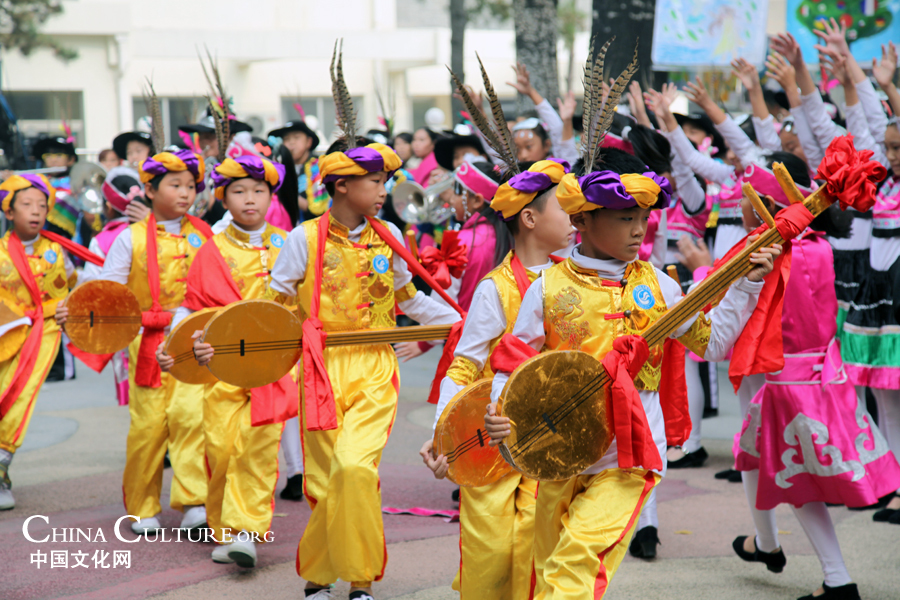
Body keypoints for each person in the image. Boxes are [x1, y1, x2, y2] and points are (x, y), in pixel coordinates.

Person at [484, 143, 778, 598]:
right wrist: (498, 406)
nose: (639, 229)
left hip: (630, 453)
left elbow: (713, 342)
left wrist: (747, 284)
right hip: (556, 447)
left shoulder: (659, 284)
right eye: (625, 217)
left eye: (643, 217)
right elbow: (513, 361)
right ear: (581, 220)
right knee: (545, 562)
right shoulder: (547, 286)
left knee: (576, 556)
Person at [731, 149, 899, 600]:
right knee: (749, 449)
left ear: (767, 202)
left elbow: (726, 313)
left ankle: (837, 579)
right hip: (823, 373)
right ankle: (765, 543)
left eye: (747, 191)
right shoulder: (819, 246)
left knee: (795, 480)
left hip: (788, 382)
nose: (739, 200)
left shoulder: (762, 251)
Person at [421, 158, 572, 599]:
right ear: (529, 218)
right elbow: (465, 366)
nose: (575, 219)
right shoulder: (495, 288)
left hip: (550, 443)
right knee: (488, 559)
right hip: (492, 446)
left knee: (539, 552)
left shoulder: (574, 281)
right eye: (564, 209)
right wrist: (442, 432)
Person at [58, 150, 213, 535]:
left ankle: (193, 500)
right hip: (146, 341)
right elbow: (108, 291)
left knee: (192, 418)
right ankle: (143, 506)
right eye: (174, 185)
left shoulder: (206, 235)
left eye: (190, 186)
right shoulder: (129, 239)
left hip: (194, 341)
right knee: (148, 427)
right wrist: (76, 311)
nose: (184, 193)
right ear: (148, 190)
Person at [157, 154, 293, 568]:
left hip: (272, 367)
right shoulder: (211, 250)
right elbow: (192, 307)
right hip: (221, 366)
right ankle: (222, 525)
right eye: (238, 192)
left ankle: (245, 531)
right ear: (222, 198)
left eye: (258, 191)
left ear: (271, 196)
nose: (249, 199)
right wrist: (174, 344)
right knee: (220, 446)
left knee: (258, 447)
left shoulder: (289, 244)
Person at [0, 174, 91, 510]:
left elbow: (74, 283)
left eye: (42, 205)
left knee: (21, 393)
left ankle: (2, 462)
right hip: (8, 334)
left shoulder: (57, 249)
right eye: (26, 205)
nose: (36, 211)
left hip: (47, 329)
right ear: (9, 212)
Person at [268, 119, 328, 220]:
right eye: (286, 139)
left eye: (296, 137)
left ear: (309, 142)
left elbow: (318, 211)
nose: (291, 143)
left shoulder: (317, 167)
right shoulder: (277, 168)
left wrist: (287, 193)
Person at [178, 109, 253, 160]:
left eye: (210, 136)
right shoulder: (199, 163)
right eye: (201, 136)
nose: (204, 141)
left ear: (230, 137)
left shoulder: (246, 162)